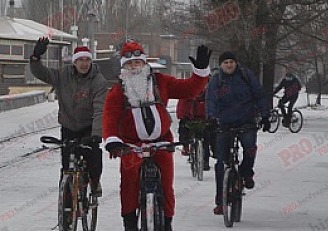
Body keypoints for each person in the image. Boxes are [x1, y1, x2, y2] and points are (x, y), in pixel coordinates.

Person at [102, 40, 211, 231]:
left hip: (161, 142)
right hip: (131, 145)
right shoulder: (118, 90)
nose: (134, 67)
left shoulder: (160, 81)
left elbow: (189, 90)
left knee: (167, 186)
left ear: (145, 64)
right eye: (129, 64)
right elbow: (110, 116)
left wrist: (200, 72)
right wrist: (112, 139)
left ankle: (167, 222)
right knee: (129, 184)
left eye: (137, 63)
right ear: (123, 67)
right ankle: (129, 223)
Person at [30, 37, 108, 197]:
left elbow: (100, 108)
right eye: (80, 60)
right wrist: (36, 57)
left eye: (87, 60)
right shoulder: (63, 75)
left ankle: (94, 182)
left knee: (93, 157)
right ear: (74, 62)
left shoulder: (98, 81)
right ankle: (66, 212)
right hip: (69, 127)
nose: (84, 64)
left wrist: (97, 134)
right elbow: (41, 73)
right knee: (67, 167)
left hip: (89, 128)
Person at [205, 51, 271, 215]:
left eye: (231, 62)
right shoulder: (216, 80)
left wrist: (265, 115)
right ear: (221, 65)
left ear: (236, 63)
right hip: (225, 123)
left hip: (246, 120)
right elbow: (211, 100)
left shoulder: (246, 76)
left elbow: (260, 95)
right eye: (225, 62)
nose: (229, 65)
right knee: (221, 163)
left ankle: (246, 173)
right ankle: (221, 202)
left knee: (250, 149)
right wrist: (212, 118)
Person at [176, 84, 216, 171]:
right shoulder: (187, 95)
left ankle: (206, 160)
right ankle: (185, 147)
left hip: (203, 120)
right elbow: (182, 107)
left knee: (207, 137)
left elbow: (212, 107)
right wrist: (183, 118)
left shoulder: (208, 96)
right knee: (183, 129)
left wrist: (211, 118)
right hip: (189, 119)